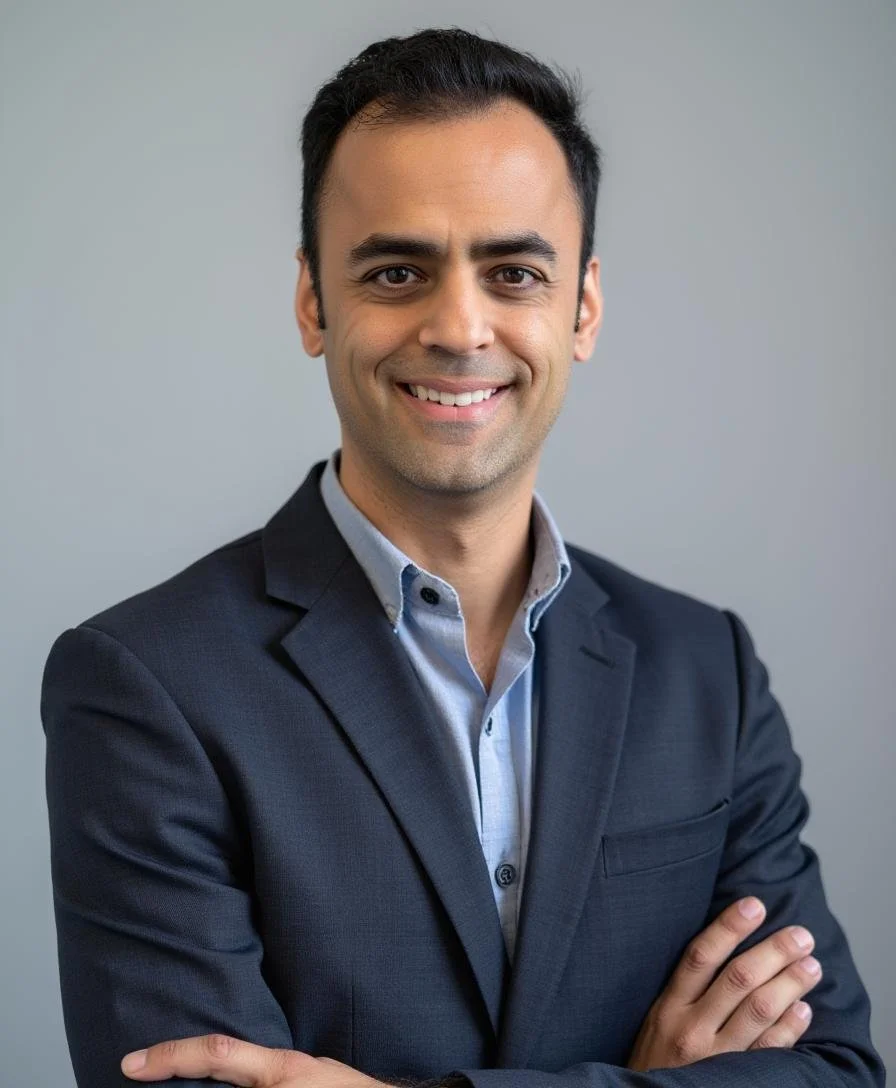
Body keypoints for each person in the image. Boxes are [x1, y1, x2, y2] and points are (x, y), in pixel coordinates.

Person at [41, 27, 883, 1088]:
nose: (456, 324)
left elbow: (838, 1071)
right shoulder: (145, 684)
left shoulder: (702, 670)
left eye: (512, 270)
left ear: (580, 306)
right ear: (313, 300)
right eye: (396, 269)